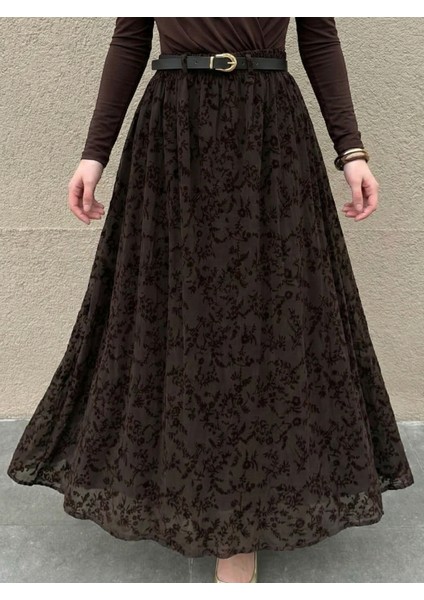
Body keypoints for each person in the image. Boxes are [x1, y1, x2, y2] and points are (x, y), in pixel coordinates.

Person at [7, 18, 414, 584]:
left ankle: (236, 529)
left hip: (268, 134)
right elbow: (130, 37)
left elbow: (319, 36)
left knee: (262, 322)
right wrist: (94, 154)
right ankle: (183, 491)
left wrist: (352, 150)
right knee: (177, 321)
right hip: (173, 136)